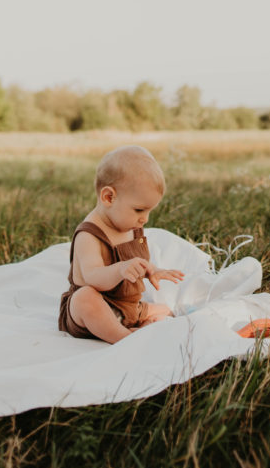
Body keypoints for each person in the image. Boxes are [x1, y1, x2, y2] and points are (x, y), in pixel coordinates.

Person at [58, 144, 184, 343]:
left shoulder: (132, 229)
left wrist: (153, 269)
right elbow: (93, 277)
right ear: (109, 197)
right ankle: (124, 338)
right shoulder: (89, 235)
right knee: (85, 298)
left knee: (166, 311)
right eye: (139, 210)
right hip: (96, 309)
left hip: (127, 308)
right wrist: (120, 269)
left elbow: (137, 260)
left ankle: (138, 327)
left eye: (149, 211)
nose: (145, 219)